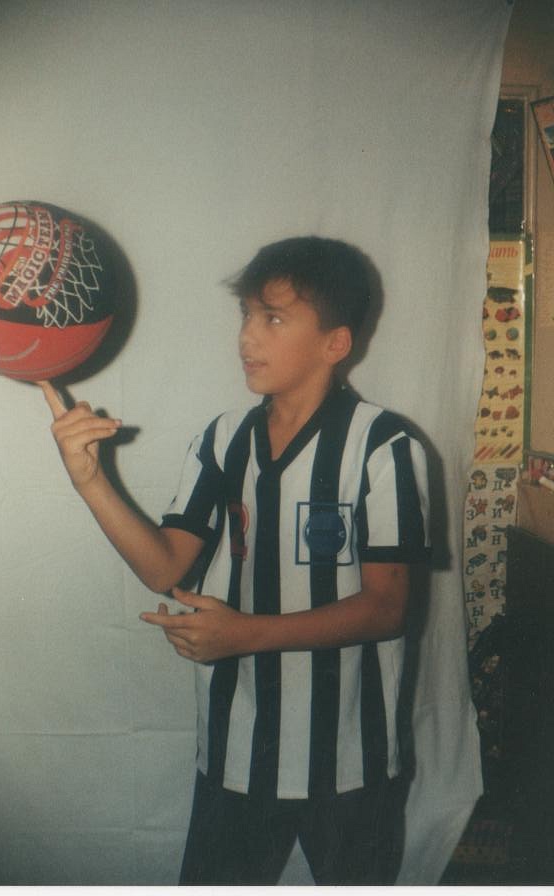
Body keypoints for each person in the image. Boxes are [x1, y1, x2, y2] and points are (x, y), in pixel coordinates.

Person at [40, 235, 431, 885]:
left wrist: (245, 634)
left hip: (350, 758)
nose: (247, 336)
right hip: (239, 749)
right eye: (246, 314)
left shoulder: (384, 444)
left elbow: (387, 607)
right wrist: (91, 480)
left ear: (335, 343)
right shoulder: (223, 439)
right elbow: (164, 567)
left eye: (273, 318)